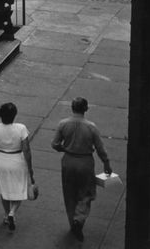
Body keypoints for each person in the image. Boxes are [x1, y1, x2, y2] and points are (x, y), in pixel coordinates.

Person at [51, 97, 113, 242]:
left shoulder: (63, 124)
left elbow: (54, 144)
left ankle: (73, 221)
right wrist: (106, 163)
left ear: (72, 108)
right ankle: (79, 218)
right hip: (85, 162)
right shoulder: (91, 127)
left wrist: (64, 149)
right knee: (86, 192)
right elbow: (100, 148)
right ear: (86, 109)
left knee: (69, 193)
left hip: (68, 161)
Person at [0, 102, 35, 232]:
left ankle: (6, 214)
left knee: (4, 190)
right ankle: (12, 212)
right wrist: (30, 168)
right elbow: (26, 150)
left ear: (0, 115)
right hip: (17, 160)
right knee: (20, 190)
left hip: (1, 160)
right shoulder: (21, 128)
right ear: (14, 115)